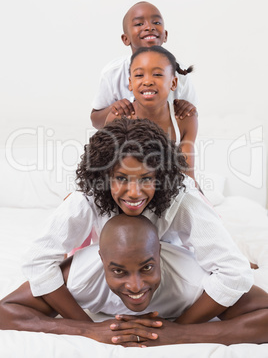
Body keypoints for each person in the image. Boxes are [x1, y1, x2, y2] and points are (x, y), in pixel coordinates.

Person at [21, 118, 253, 326]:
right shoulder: (87, 197)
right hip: (113, 255)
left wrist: (178, 329)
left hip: (172, 254)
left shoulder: (183, 199)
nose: (133, 193)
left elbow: (235, 273)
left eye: (146, 179)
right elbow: (37, 261)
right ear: (105, 177)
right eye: (121, 178)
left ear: (160, 177)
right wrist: (87, 328)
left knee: (219, 250)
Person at [2, 214, 268, 347]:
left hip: (178, 249)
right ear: (102, 261)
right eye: (118, 271)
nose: (136, 286)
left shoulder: (193, 279)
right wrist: (85, 329)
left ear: (159, 257)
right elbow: (5, 311)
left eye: (147, 268)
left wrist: (182, 333)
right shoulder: (80, 276)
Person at [90, 1, 198, 129]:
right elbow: (95, 121)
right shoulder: (113, 73)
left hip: (165, 142)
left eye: (156, 23)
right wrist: (113, 110)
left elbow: (191, 116)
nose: (149, 27)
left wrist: (186, 108)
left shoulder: (179, 72)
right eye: (139, 24)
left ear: (165, 35)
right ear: (126, 39)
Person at [105, 45, 198, 182]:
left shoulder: (184, 119)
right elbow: (105, 168)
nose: (147, 81)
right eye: (139, 75)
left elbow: (188, 176)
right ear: (130, 83)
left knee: (200, 202)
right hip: (128, 190)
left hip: (168, 190)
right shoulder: (118, 117)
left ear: (173, 83)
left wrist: (199, 200)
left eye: (158, 74)